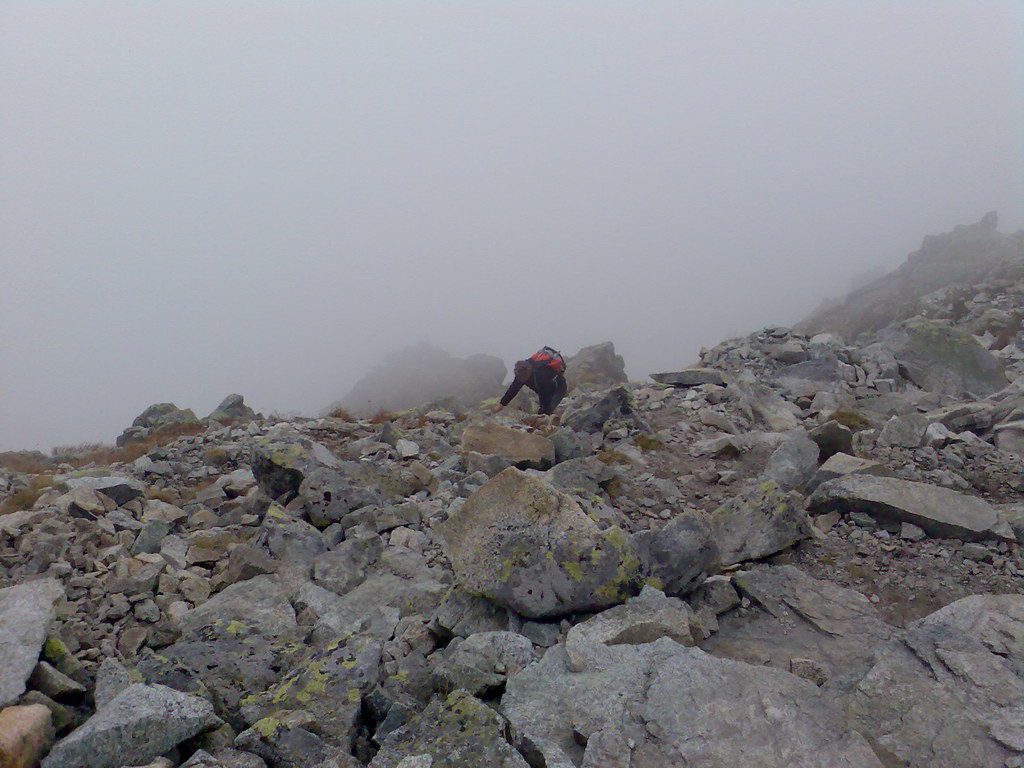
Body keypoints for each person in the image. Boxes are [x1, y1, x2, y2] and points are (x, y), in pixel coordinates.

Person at [492, 348, 568, 415]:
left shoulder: (542, 373)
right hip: (542, 387)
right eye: (521, 377)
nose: (522, 379)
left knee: (547, 410)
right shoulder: (521, 372)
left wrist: (546, 410)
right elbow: (513, 389)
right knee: (543, 411)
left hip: (558, 388)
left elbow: (546, 392)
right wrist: (501, 405)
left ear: (529, 372)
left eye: (524, 376)